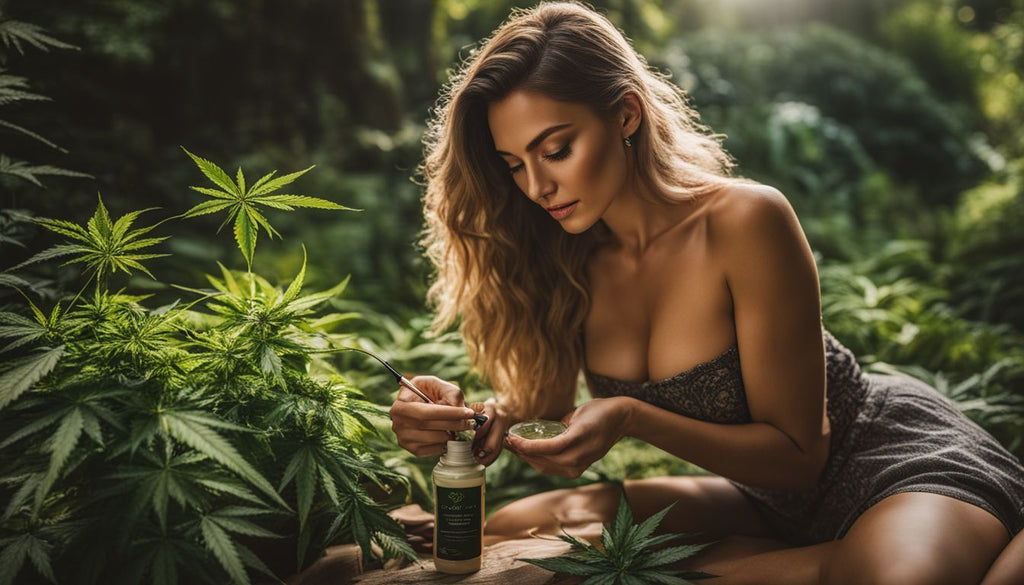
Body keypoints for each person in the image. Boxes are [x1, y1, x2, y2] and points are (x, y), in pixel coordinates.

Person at [388, 2, 1024, 583]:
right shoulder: (565, 256)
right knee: (518, 525)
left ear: (626, 114)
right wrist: (473, 421)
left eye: (555, 150)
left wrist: (634, 416)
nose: (537, 187)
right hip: (761, 500)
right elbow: (546, 408)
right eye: (514, 164)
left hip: (888, 465)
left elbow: (802, 457)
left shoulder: (745, 221)